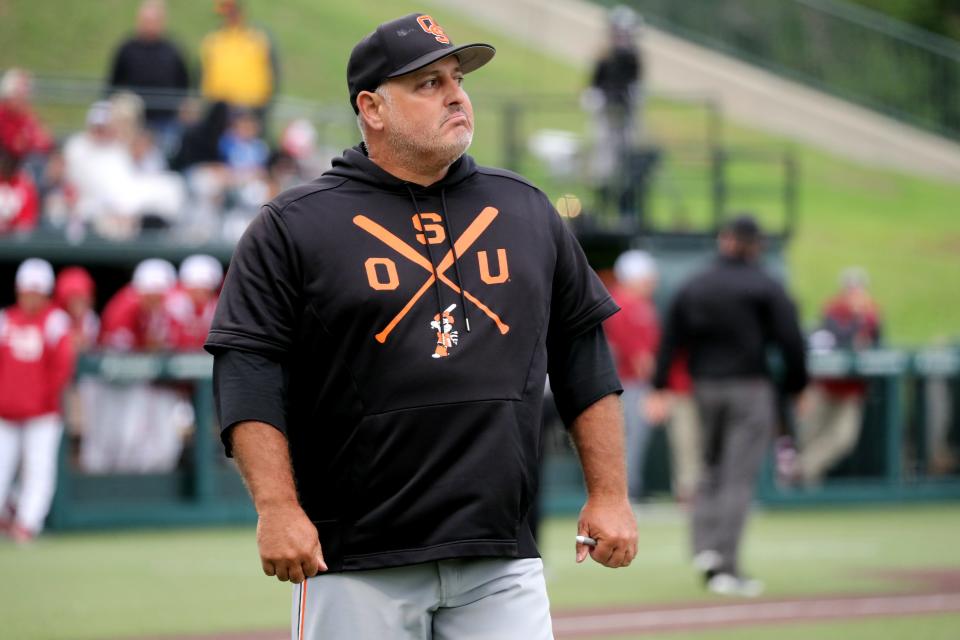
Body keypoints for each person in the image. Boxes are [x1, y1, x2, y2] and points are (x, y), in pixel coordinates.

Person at [205, 13, 637, 639]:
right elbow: (247, 372)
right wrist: (276, 508)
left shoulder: (525, 208)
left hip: (501, 555)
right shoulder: (292, 226)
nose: (457, 95)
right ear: (372, 108)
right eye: (428, 83)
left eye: (457, 79)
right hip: (354, 558)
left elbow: (583, 357)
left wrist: (610, 494)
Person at [648, 215, 808, 597]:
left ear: (724, 240)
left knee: (710, 468)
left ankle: (704, 547)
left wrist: (659, 384)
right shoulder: (765, 284)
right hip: (750, 387)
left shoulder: (696, 283)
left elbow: (671, 336)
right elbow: (791, 339)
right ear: (756, 245)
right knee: (738, 476)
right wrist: (796, 386)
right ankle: (725, 565)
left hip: (705, 387)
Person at [82, 259, 185, 473]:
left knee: (132, 438)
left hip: (133, 383)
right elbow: (119, 360)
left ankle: (127, 488)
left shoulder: (157, 309)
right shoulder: (124, 307)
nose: (158, 299)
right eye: (153, 294)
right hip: (106, 383)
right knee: (104, 440)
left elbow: (158, 346)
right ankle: (101, 489)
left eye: (161, 294)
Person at [0, 259, 75, 543]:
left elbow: (62, 368)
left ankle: (27, 524)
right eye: (27, 290)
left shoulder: (56, 322)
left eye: (37, 291)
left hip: (42, 412)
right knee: (2, 467)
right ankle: (7, 517)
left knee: (39, 469)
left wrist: (43, 399)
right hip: (5, 411)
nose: (31, 296)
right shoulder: (5, 319)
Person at [795, 268, 881, 486]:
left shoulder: (871, 313)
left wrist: (864, 318)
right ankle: (804, 479)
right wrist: (857, 319)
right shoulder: (833, 309)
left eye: (858, 288)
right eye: (850, 288)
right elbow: (836, 339)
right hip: (824, 385)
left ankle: (802, 471)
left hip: (851, 389)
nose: (854, 292)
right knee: (808, 434)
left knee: (843, 438)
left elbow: (877, 345)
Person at [603, 249, 659, 501]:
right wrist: (658, 388)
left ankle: (624, 493)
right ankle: (624, 495)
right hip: (629, 384)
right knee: (627, 443)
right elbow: (640, 357)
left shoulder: (632, 303)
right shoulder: (627, 305)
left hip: (624, 384)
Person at [107, 0, 190, 154]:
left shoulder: (173, 49)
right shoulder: (127, 48)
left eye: (154, 21)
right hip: (133, 119)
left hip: (165, 117)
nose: (150, 25)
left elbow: (184, 83)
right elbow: (113, 83)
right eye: (147, 21)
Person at [585, 5, 644, 217]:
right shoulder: (604, 57)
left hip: (626, 113)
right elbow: (593, 87)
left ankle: (625, 207)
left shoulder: (633, 57)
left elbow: (636, 86)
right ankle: (602, 205)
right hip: (606, 113)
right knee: (604, 158)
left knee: (627, 158)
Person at [199, 0, 279, 120]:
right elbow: (203, 74)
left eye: (232, 11)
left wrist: (264, 108)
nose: (229, 16)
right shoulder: (213, 40)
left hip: (250, 110)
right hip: (218, 109)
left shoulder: (258, 39)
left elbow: (273, 74)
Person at [167, 254, 223, 350]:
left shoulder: (217, 309)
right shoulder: (170, 307)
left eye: (204, 289)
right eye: (195, 289)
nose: (199, 294)